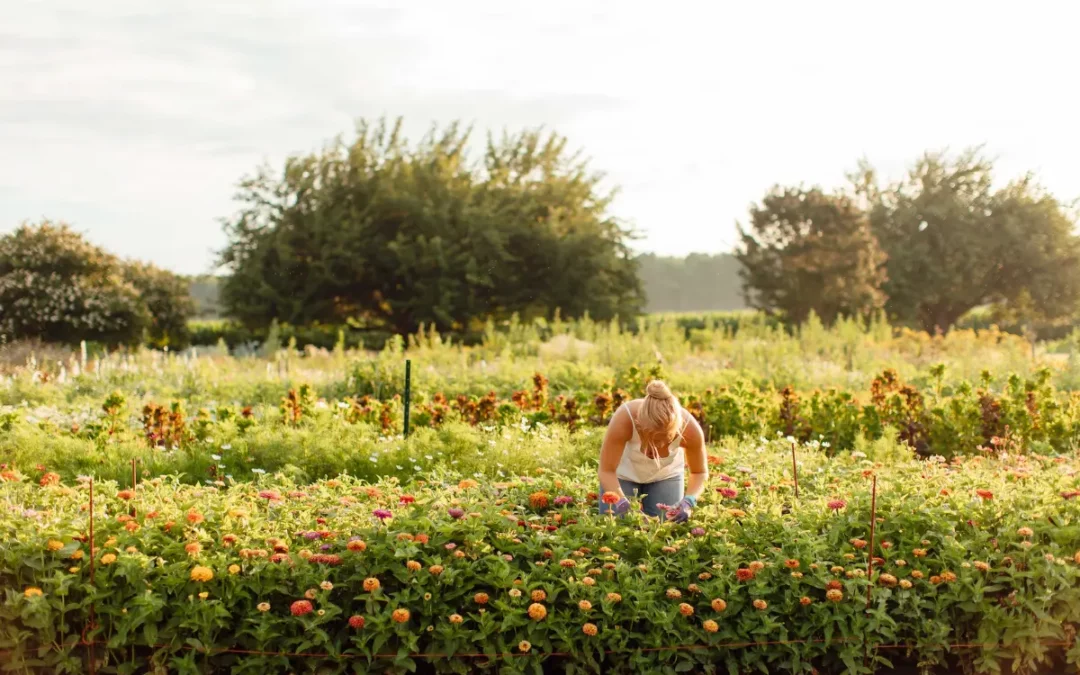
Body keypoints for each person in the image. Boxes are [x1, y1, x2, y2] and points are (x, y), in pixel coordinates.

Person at [597, 379, 708, 522]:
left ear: (673, 433)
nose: (651, 451)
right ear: (639, 425)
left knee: (663, 526)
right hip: (622, 475)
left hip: (665, 475)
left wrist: (688, 502)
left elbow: (699, 472)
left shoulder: (689, 430)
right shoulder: (625, 418)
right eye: (646, 440)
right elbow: (606, 471)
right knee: (617, 524)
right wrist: (623, 505)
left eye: (658, 442)